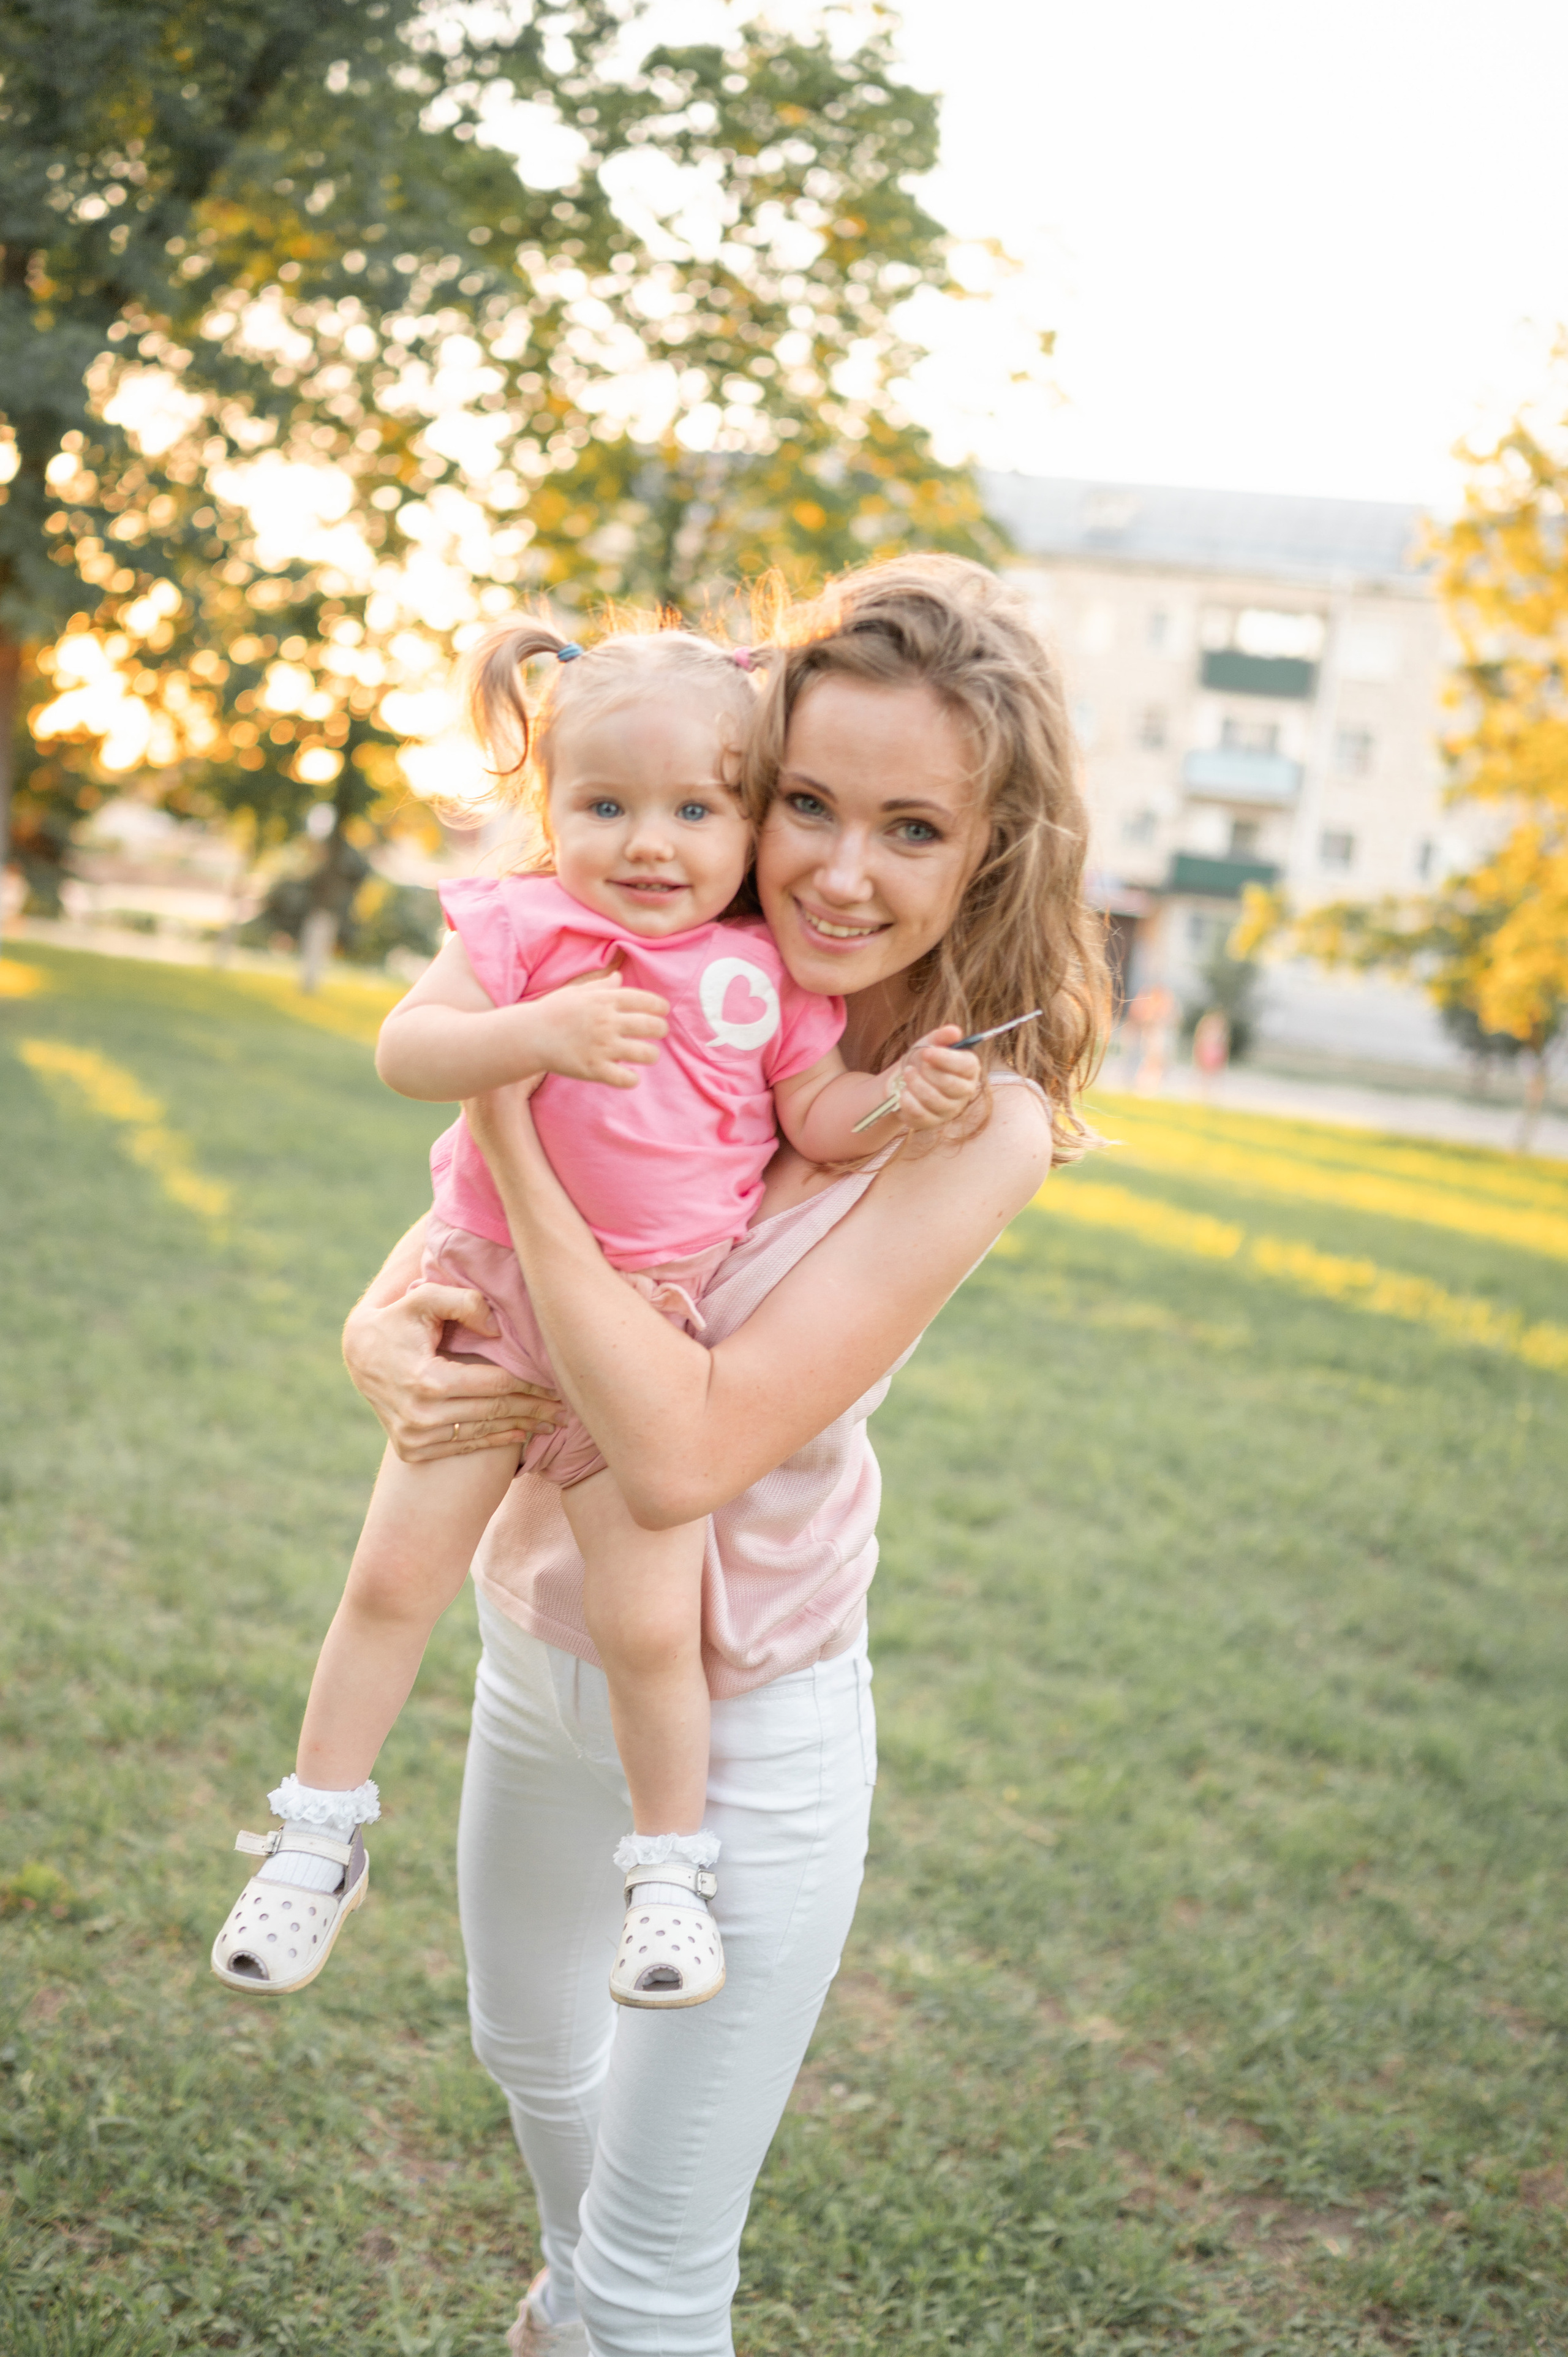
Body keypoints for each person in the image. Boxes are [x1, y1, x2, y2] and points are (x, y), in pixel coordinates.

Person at [339, 556, 1108, 2356]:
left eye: (911, 830)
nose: (839, 870)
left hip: (747, 1718)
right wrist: (371, 1327)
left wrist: (508, 1132)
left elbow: (678, 1451)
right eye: (809, 804)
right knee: (526, 2046)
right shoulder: (678, 972)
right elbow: (442, 1252)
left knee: (659, 2286)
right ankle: (572, 2304)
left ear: (989, 853)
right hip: (538, 1636)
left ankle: (606, 2313)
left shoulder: (976, 1122)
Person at [210, 621, 982, 2007]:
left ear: (747, 822)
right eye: (606, 806)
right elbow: (408, 1048)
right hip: (491, 1306)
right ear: (550, 808)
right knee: (391, 1579)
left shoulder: (761, 976)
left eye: (695, 811)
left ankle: (668, 1874)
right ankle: (316, 1832)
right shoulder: (527, 931)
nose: (649, 845)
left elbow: (816, 1117)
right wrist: (535, 1035)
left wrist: (898, 1103)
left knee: (649, 1630)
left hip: (647, 1340)